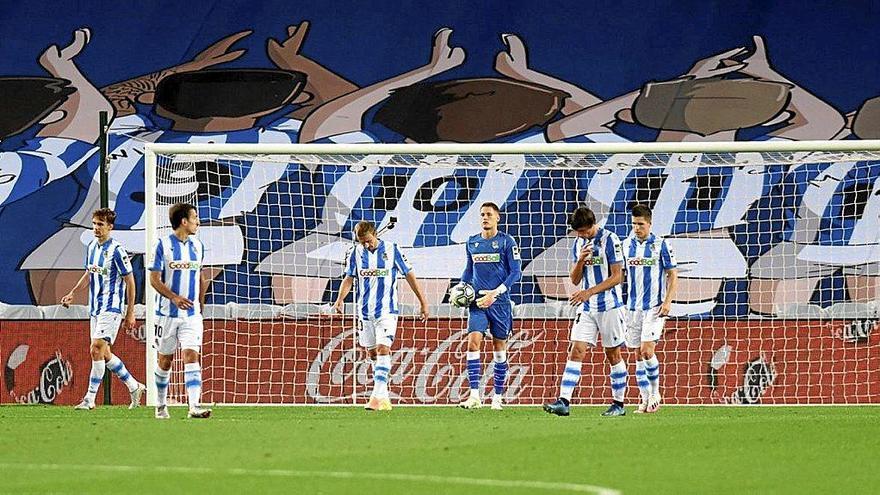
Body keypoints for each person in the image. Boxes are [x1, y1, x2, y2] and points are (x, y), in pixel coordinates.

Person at [333, 221, 430, 410]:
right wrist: (339, 299)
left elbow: (410, 275)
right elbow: (349, 278)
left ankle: (375, 397)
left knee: (383, 349)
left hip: (387, 310)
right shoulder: (355, 252)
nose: (366, 245)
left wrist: (423, 302)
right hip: (364, 313)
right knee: (371, 352)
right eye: (362, 242)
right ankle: (384, 396)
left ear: (375, 234)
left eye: (368, 241)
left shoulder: (392, 250)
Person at [544, 207, 627, 417]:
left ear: (592, 225)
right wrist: (580, 260)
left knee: (613, 354)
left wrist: (588, 292)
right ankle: (564, 401)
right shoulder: (579, 243)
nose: (581, 235)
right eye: (578, 232)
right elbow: (574, 279)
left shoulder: (610, 240)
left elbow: (618, 277)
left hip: (610, 306)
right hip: (587, 307)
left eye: (584, 231)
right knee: (576, 349)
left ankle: (618, 404)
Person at [62, 208, 144, 409]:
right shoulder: (91, 247)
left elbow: (130, 282)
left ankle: (90, 399)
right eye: (94, 224)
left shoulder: (117, 250)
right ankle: (134, 386)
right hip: (95, 309)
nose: (96, 228)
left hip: (112, 308)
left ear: (110, 227)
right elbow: (89, 274)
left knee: (96, 349)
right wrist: (73, 292)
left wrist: (130, 311)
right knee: (104, 353)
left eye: (100, 224)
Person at [458, 202, 522, 411]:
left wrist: (496, 294)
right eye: (482, 215)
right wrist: (461, 287)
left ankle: (497, 397)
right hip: (478, 303)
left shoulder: (506, 242)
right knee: (473, 342)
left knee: (499, 349)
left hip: (500, 303)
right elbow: (469, 271)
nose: (484, 218)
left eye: (488, 215)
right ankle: (475, 396)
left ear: (498, 218)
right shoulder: (472, 243)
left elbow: (516, 272)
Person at [149, 203, 211, 419]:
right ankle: (160, 405)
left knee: (191, 355)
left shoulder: (198, 246)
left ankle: (194, 406)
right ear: (184, 221)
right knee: (164, 361)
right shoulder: (162, 245)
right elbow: (154, 280)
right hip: (166, 314)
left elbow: (201, 276)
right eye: (195, 218)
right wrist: (174, 298)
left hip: (192, 316)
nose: (198, 222)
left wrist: (200, 306)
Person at [622, 204, 678, 413]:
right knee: (637, 355)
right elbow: (619, 275)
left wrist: (668, 302)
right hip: (632, 308)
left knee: (647, 351)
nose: (637, 228)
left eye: (641, 224)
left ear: (650, 223)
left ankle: (655, 392)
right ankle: (644, 399)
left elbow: (673, 275)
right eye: (634, 224)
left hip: (654, 308)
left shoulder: (661, 245)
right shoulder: (625, 246)